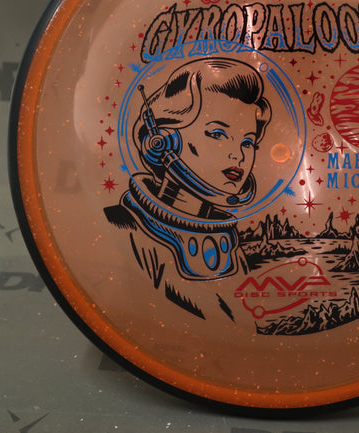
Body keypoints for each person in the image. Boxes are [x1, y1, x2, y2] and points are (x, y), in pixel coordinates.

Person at [105, 58, 271, 317]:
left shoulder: (228, 243)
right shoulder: (122, 227)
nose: (238, 155)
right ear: (163, 142)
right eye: (218, 134)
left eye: (247, 142)